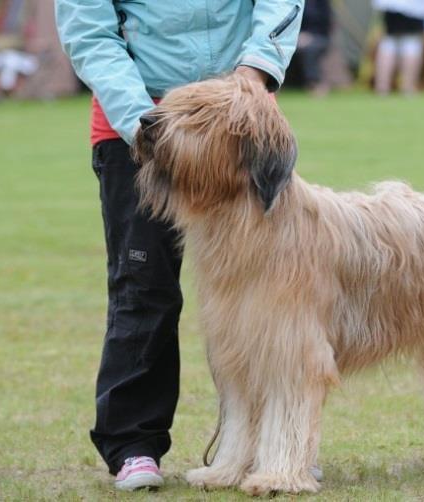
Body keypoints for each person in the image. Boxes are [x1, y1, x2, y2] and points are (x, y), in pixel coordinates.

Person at [54, 0, 304, 491]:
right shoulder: (146, 125)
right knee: (143, 288)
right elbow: (89, 32)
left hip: (238, 123)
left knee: (270, 297)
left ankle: (273, 446)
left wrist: (256, 71)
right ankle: (134, 446)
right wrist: (151, 126)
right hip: (140, 123)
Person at [372, 0, 424, 95]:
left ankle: (382, 87)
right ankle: (407, 87)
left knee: (389, 42)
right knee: (411, 43)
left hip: (390, 6)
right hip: (412, 8)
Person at [296, 0, 332, 96]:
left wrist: (310, 36)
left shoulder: (322, 3)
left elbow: (326, 23)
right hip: (295, 37)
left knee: (310, 49)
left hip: (319, 36)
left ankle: (315, 84)